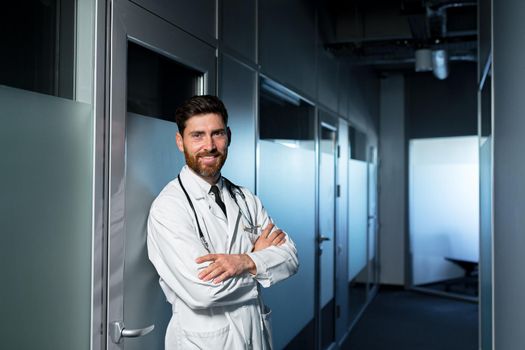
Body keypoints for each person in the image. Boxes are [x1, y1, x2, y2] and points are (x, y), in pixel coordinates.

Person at [147, 95, 299, 349]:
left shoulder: (245, 198)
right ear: (180, 142)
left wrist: (245, 261)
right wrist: (260, 265)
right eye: (197, 135)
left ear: (228, 136)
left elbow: (291, 257)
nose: (209, 145)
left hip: (255, 336)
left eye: (217, 134)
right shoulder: (169, 208)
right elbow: (204, 292)